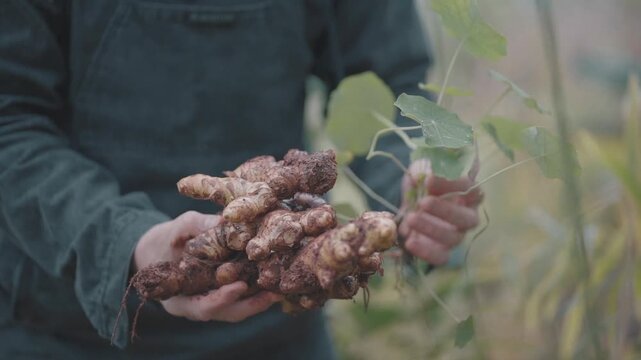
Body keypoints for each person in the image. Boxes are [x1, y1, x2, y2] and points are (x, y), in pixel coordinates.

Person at [0, 1, 480, 358]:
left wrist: (411, 184)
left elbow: (391, 83)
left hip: (279, 313)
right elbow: (10, 119)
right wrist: (128, 241)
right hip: (60, 329)